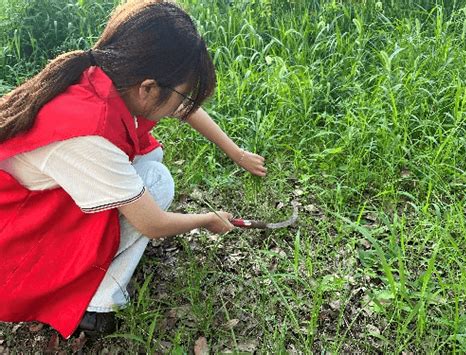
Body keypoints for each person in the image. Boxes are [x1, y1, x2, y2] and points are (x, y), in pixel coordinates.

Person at [0, 0, 266, 339]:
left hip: (31, 208)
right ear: (149, 88)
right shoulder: (90, 132)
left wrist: (237, 153)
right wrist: (207, 219)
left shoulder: (103, 75)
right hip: (13, 248)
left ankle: (97, 265)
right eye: (180, 93)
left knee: (148, 163)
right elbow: (153, 224)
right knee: (156, 183)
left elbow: (184, 108)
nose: (181, 105)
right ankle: (98, 305)